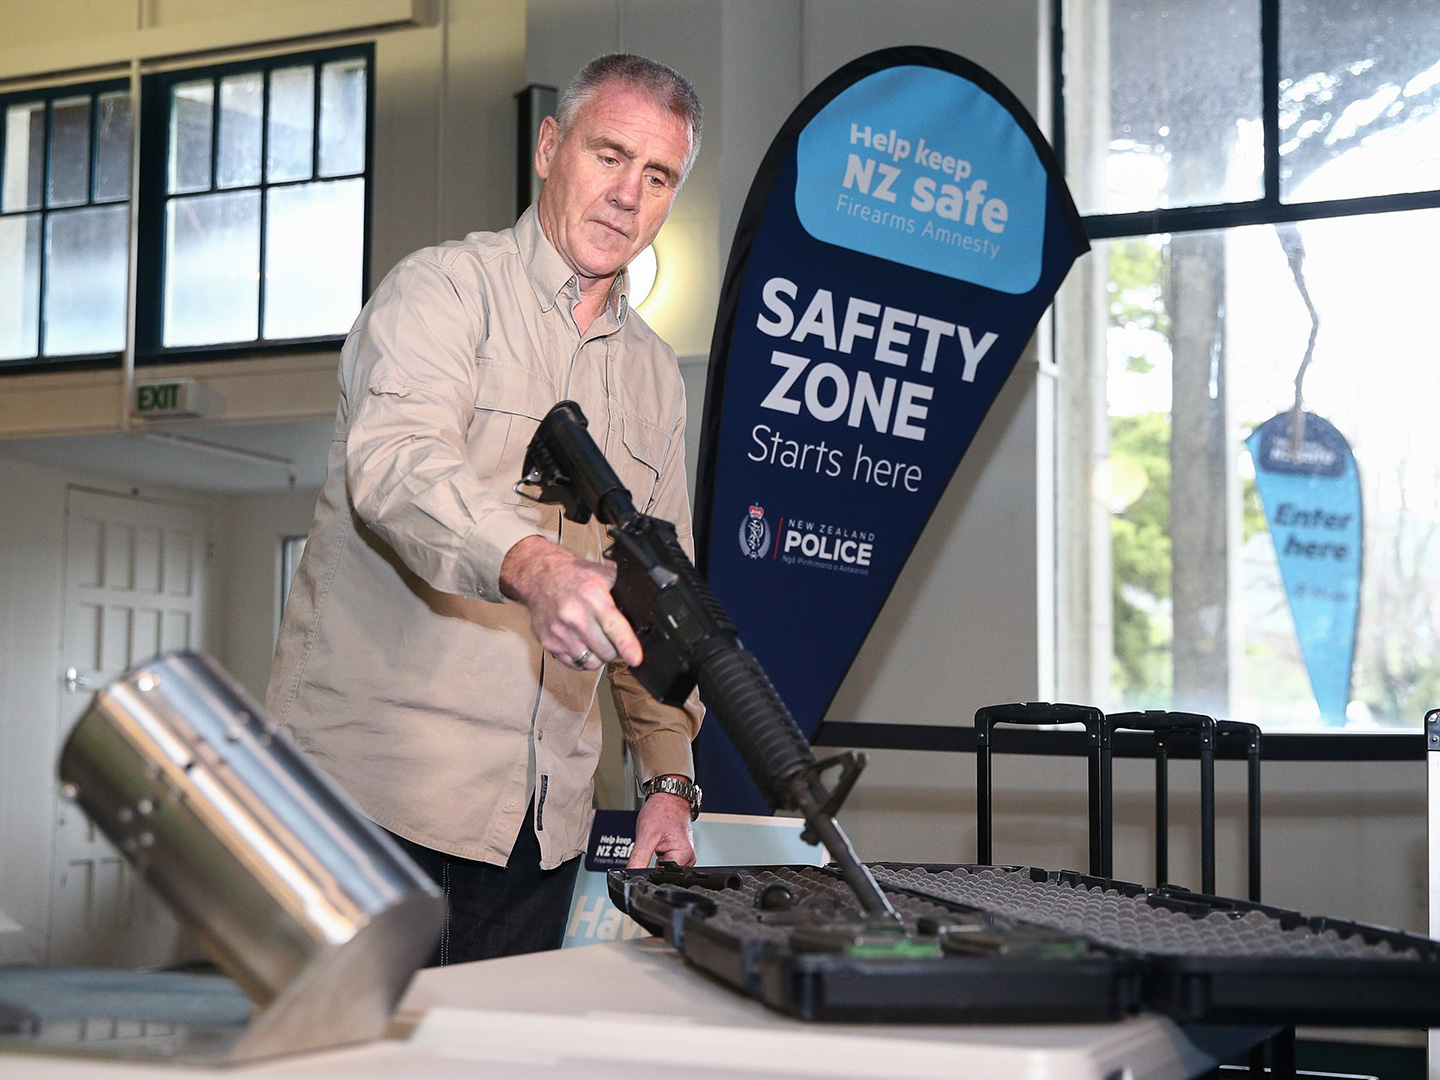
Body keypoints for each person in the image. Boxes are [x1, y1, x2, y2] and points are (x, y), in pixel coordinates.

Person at [266, 53, 705, 965]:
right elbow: (398, 465)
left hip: (539, 830)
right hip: (372, 799)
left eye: (658, 175)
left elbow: (658, 584)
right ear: (549, 149)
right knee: (347, 1045)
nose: (628, 195)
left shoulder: (656, 375)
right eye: (610, 156)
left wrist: (667, 779)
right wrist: (535, 566)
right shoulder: (441, 292)